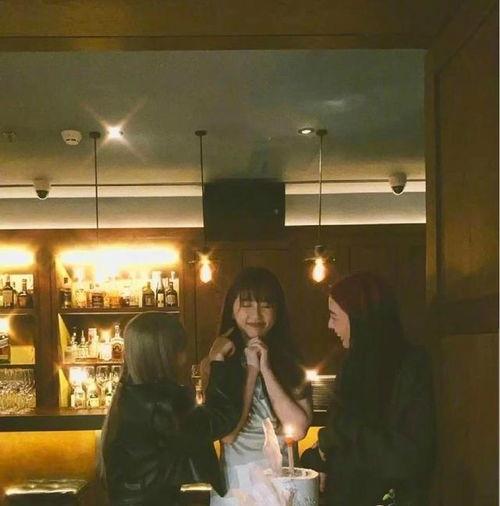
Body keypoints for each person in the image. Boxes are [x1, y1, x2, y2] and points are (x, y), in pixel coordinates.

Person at [302, 271, 435, 506]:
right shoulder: (351, 365)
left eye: (334, 316)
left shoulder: (410, 366)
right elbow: (336, 435)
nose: (330, 325)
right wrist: (319, 457)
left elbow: (409, 456)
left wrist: (339, 434)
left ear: (359, 318)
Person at [101, 311, 240, 506]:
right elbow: (221, 420)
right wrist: (217, 360)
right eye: (182, 349)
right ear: (169, 355)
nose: (185, 357)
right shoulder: (165, 402)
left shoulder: (128, 394)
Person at [205, 267, 313, 504]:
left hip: (284, 483)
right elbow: (228, 435)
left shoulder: (291, 360)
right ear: (232, 308)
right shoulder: (220, 360)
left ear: (278, 311)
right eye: (246, 304)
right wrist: (251, 372)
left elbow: (298, 428)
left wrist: (266, 369)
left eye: (266, 305)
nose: (256, 314)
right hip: (237, 486)